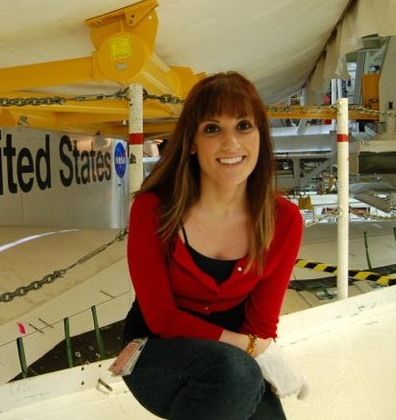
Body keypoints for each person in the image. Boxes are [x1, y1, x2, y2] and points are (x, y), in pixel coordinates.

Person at [121, 71, 307, 419]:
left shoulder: (284, 221)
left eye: (243, 126)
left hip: (234, 367)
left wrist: (252, 345)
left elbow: (260, 325)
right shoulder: (153, 210)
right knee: (234, 373)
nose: (231, 143)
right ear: (191, 142)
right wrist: (252, 348)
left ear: (260, 137)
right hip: (154, 351)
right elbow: (161, 318)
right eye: (212, 129)